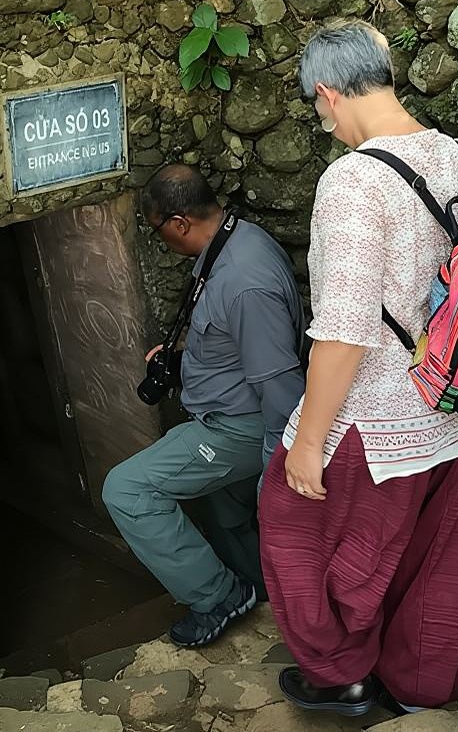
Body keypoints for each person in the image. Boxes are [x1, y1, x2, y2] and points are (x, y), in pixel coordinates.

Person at [259, 19, 458, 715]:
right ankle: (420, 690)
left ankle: (339, 674)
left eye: (319, 112)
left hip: (382, 418)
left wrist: (307, 441)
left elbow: (344, 330)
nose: (325, 125)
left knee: (290, 522)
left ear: (327, 93)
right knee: (440, 560)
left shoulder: (352, 180)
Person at [102, 164, 306, 648]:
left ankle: (217, 596)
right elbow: (232, 337)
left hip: (237, 427)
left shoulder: (244, 282)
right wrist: (182, 356)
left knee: (127, 491)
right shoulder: (237, 240)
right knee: (224, 507)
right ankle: (263, 589)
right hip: (229, 411)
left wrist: (280, 471)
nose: (163, 242)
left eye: (158, 232)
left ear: (178, 223)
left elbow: (280, 386)